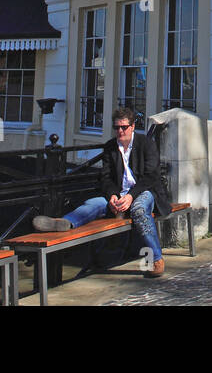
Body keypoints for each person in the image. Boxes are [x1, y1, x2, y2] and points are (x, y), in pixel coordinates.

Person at [32, 107, 173, 278]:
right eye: (116, 128)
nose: (120, 131)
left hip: (144, 191)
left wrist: (130, 196)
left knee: (139, 209)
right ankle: (64, 223)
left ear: (133, 126)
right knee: (92, 204)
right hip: (120, 195)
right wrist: (113, 196)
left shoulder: (146, 144)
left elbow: (151, 176)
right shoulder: (110, 147)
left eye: (124, 127)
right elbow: (105, 178)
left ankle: (156, 259)